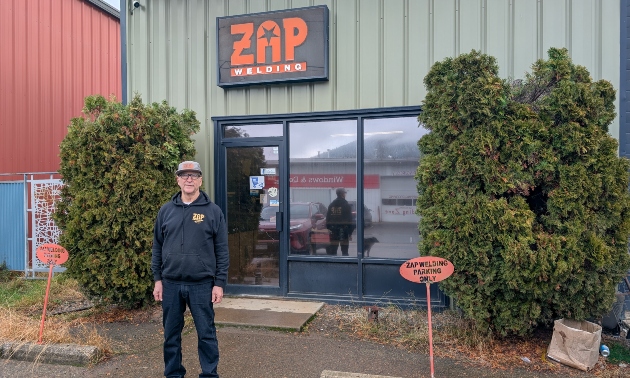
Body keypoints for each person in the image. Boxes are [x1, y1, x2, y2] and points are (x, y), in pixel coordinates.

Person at [151, 161, 229, 378]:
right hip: (171, 284)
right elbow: (157, 246)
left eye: (193, 175)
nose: (189, 179)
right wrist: (158, 279)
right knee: (171, 335)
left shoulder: (213, 212)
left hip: (202, 285)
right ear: (177, 180)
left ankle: (209, 374)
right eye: (184, 175)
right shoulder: (166, 211)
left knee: (206, 334)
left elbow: (222, 250)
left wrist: (219, 283)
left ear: (200, 181)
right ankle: (174, 373)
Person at [326, 187, 355, 256]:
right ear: (342, 194)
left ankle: (334, 264)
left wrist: (330, 229)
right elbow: (350, 220)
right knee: (344, 251)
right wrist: (350, 232)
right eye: (345, 193)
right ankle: (345, 264)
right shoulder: (346, 205)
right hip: (343, 230)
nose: (345, 194)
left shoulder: (331, 205)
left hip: (333, 230)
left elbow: (328, 219)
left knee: (333, 250)